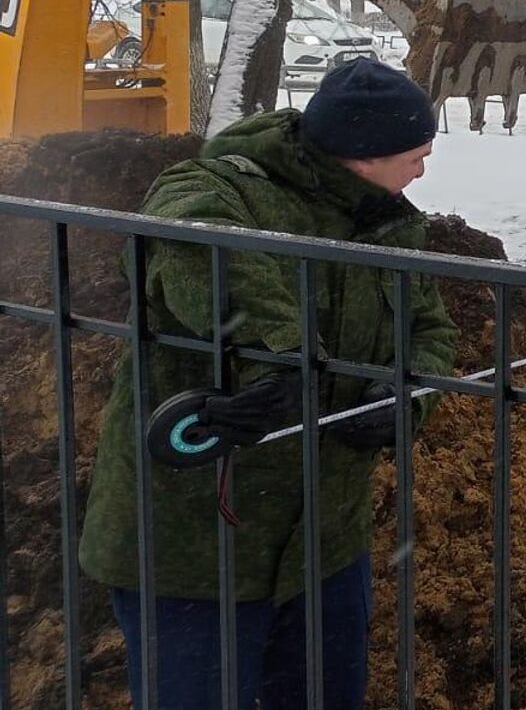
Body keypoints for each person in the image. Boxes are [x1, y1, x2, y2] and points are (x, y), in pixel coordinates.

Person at [80, 58, 459, 709]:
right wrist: (281, 357)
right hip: (196, 554)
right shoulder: (212, 187)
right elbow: (200, 245)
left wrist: (410, 398)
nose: (423, 170)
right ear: (361, 155)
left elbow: (429, 332)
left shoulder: (390, 220)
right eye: (414, 155)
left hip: (324, 549)